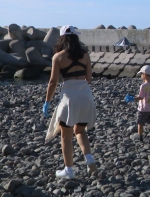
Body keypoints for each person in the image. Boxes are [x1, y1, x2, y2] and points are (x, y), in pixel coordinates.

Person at [42, 25, 97, 179]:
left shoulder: (58, 57)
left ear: (62, 38)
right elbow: (89, 79)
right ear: (75, 38)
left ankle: (69, 170)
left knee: (66, 136)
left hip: (69, 98)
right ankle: (89, 158)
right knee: (80, 130)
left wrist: (47, 102)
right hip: (86, 96)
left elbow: (53, 82)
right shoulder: (85, 55)